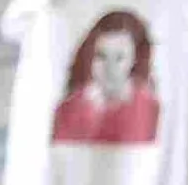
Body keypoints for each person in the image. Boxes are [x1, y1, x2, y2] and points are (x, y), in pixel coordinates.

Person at [52, 10, 163, 148]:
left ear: (134, 60)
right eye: (101, 56)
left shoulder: (150, 108)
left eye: (119, 58)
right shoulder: (68, 109)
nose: (110, 68)